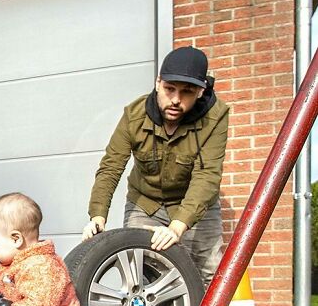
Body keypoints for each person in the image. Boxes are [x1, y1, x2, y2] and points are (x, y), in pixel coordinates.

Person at [83, 46, 229, 287]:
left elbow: (207, 175)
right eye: (169, 89)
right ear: (158, 82)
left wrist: (178, 226)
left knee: (208, 272)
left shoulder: (216, 117)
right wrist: (97, 216)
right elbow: (111, 166)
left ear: (201, 91)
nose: (175, 100)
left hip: (192, 204)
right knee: (140, 272)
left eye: (187, 92)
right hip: (145, 203)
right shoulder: (134, 115)